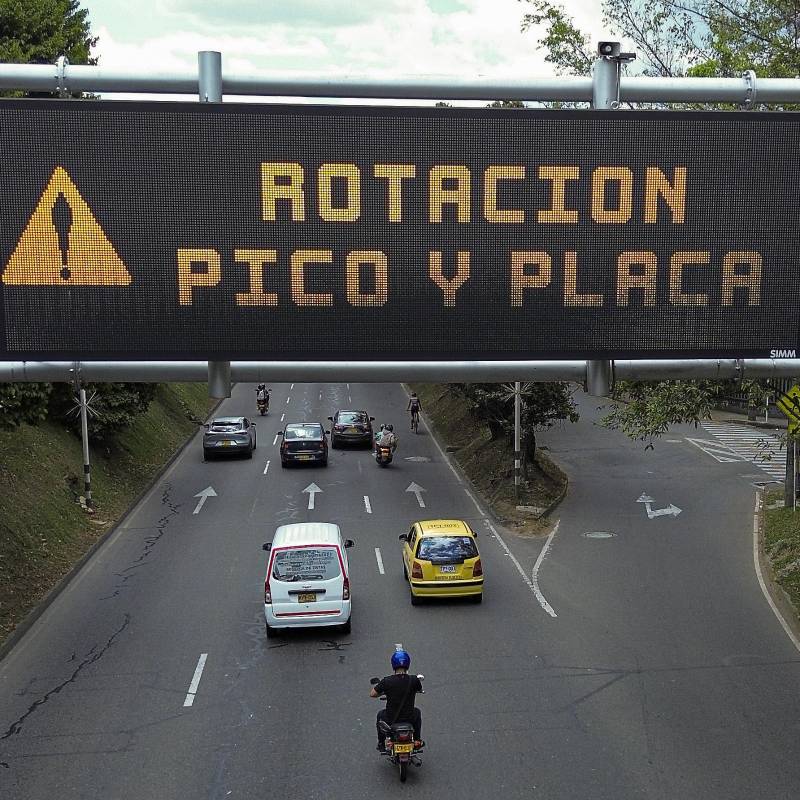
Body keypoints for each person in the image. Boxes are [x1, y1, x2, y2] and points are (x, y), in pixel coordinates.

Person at [370, 647, 423, 752]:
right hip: (409, 718)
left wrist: (384, 692)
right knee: (417, 712)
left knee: (380, 715)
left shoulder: (387, 681)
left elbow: (372, 694)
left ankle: (381, 743)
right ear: (408, 663)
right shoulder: (414, 680)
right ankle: (417, 740)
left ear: (393, 664)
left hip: (391, 718)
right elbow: (419, 689)